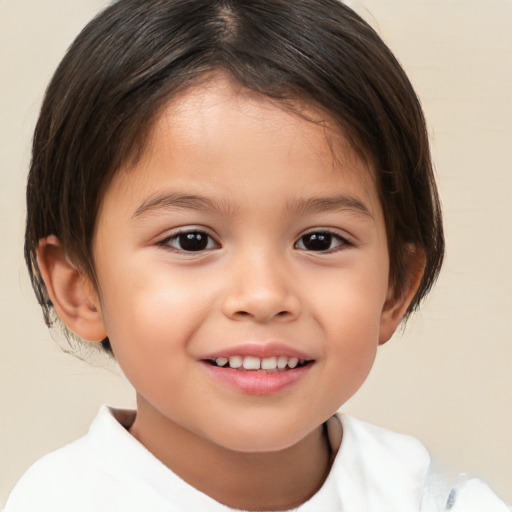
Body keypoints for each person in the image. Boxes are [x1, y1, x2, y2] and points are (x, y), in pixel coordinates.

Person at [4, 0, 509, 511]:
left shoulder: (435, 501)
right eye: (191, 241)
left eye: (319, 240)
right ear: (79, 287)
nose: (264, 296)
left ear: (395, 287)